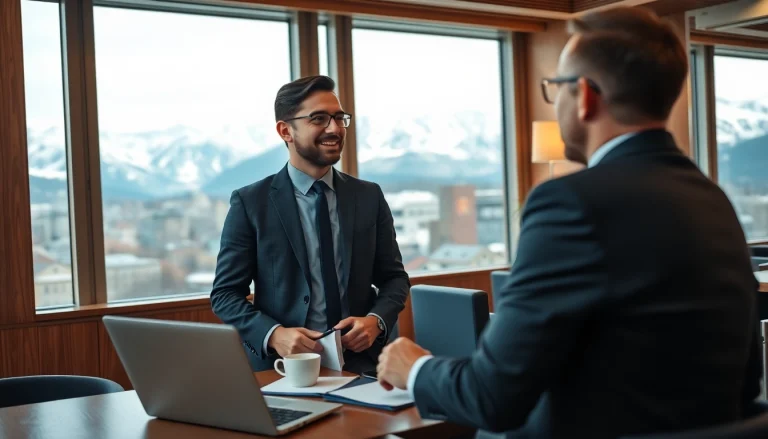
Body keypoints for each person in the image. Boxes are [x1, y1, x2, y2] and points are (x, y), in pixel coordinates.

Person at [376, 7, 760, 438]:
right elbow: (745, 383)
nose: (555, 101)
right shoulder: (714, 201)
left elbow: (492, 397)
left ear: (584, 96)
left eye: (555, 87)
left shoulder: (571, 204)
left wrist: (415, 368)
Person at [211, 75, 410, 374]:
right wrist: (274, 334)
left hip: (365, 364)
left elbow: (394, 278)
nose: (334, 128)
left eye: (339, 118)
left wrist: (375, 321)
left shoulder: (369, 196)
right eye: (319, 118)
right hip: (281, 368)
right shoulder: (251, 203)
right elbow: (225, 294)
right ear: (285, 131)